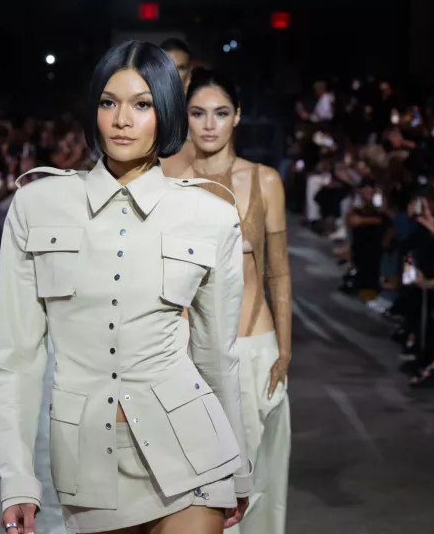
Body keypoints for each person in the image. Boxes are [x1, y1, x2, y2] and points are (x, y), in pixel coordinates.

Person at [0, 40, 252, 534]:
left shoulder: (209, 215)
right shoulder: (38, 204)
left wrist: (238, 465)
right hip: (90, 461)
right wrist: (17, 480)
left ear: (166, 113)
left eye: (142, 104)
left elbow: (217, 354)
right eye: (109, 102)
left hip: (193, 452)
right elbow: (15, 357)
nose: (122, 119)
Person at [184, 68, 292, 534]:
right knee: (198, 487)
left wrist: (285, 349)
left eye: (221, 113)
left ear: (238, 117)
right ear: (184, 118)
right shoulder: (167, 180)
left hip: (254, 347)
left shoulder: (265, 180)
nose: (210, 124)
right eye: (198, 113)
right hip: (187, 355)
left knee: (260, 485)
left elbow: (278, 269)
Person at [160, 38, 196, 180]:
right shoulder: (141, 113)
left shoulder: (203, 114)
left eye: (180, 68)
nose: (173, 74)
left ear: (189, 72)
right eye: (168, 67)